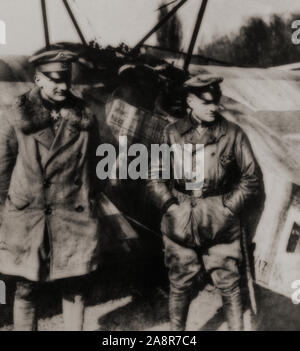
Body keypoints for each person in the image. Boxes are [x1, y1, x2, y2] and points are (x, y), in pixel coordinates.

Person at [146, 74, 262, 331]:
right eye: (206, 102)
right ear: (190, 101)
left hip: (220, 219)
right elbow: (154, 176)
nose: (213, 107)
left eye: (215, 101)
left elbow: (251, 178)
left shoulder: (232, 133)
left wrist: (228, 207)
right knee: (179, 284)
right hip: (180, 220)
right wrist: (170, 207)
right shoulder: (171, 133)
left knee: (229, 284)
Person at [0, 47, 103, 330]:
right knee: (25, 289)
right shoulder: (15, 116)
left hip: (72, 216)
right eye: (54, 79)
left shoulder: (85, 118)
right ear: (38, 79)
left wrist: (86, 199)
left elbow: (97, 167)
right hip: (29, 218)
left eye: (66, 79)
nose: (62, 86)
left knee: (74, 288)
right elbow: (2, 171)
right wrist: (9, 212)